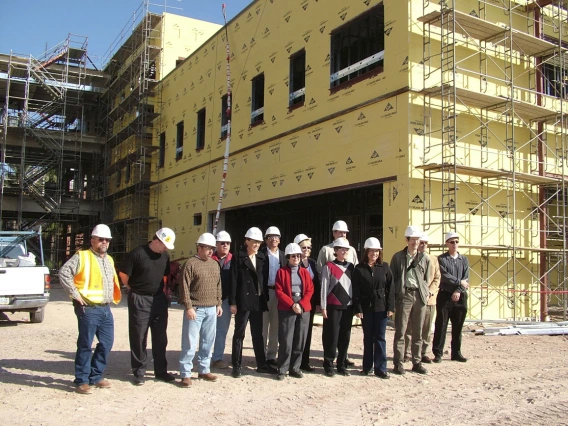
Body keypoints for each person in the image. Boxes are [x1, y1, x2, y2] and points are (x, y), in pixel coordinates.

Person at [59, 224, 122, 394]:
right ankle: (82, 380)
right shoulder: (82, 256)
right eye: (100, 239)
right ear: (92, 240)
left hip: (105, 308)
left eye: (107, 240)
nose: (104, 242)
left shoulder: (109, 259)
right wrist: (75, 294)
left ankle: (96, 376)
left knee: (107, 343)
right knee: (86, 344)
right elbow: (64, 273)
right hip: (88, 308)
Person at [119, 227, 176, 385]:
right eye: (164, 245)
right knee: (138, 336)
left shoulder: (164, 256)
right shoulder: (136, 254)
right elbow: (124, 275)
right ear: (156, 240)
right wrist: (133, 289)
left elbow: (164, 277)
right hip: (139, 299)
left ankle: (161, 371)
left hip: (158, 299)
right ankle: (139, 372)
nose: (165, 248)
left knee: (160, 337)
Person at [230, 227, 277, 378]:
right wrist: (233, 302)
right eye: (254, 241)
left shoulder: (262, 258)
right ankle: (236, 366)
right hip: (243, 301)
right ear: (246, 241)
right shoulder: (238, 257)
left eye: (258, 242)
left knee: (258, 335)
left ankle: (261, 364)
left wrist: (265, 299)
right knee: (239, 334)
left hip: (257, 301)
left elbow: (263, 280)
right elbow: (233, 281)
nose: (256, 244)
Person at [178, 233, 222, 388]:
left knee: (207, 341)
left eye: (212, 248)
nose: (210, 251)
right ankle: (186, 373)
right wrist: (189, 307)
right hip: (195, 309)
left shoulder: (214, 264)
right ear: (199, 247)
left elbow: (218, 285)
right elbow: (184, 287)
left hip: (211, 308)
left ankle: (204, 369)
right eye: (207, 248)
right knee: (190, 342)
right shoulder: (190, 264)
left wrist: (218, 303)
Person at [316, 220, 358, 367]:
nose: (343, 234)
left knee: (345, 333)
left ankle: (343, 359)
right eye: (340, 232)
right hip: (332, 299)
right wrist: (323, 304)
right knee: (331, 333)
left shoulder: (352, 253)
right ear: (333, 233)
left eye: (345, 232)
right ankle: (329, 360)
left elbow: (355, 278)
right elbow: (322, 276)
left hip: (347, 302)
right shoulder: (325, 251)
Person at [390, 226, 431, 375]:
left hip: (419, 296)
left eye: (417, 239)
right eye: (412, 239)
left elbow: (427, 278)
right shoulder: (397, 257)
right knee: (401, 331)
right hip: (404, 296)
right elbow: (393, 278)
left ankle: (416, 361)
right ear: (407, 240)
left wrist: (425, 293)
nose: (415, 242)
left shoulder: (425, 258)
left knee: (418, 331)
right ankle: (398, 363)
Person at [352, 237, 394, 379]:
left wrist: (390, 307)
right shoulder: (359, 269)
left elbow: (390, 288)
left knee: (380, 338)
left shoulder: (385, 267)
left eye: (376, 251)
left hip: (381, 308)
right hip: (366, 308)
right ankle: (367, 367)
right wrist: (358, 309)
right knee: (368, 338)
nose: (374, 254)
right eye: (372, 251)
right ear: (366, 252)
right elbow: (356, 290)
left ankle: (381, 368)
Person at [274, 243, 314, 381]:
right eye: (293, 256)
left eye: (298, 255)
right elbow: (279, 291)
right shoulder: (281, 272)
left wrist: (301, 304)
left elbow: (310, 290)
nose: (296, 258)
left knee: (300, 339)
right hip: (287, 307)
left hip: (303, 307)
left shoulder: (305, 272)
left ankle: (295, 368)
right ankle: (282, 368)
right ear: (288, 257)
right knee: (286, 339)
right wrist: (292, 304)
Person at [432, 231, 469, 363]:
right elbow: (444, 276)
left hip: (460, 296)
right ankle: (438, 353)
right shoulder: (441, 259)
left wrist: (458, 290)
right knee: (441, 324)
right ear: (447, 243)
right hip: (445, 295)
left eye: (456, 242)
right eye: (452, 242)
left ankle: (456, 352)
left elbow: (466, 278)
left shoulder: (463, 260)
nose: (454, 244)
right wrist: (459, 283)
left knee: (458, 325)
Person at [404, 233, 441, 363]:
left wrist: (430, 291)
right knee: (409, 327)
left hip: (428, 299)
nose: (423, 245)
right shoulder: (411, 257)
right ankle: (407, 352)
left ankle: (423, 352)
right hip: (412, 296)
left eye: (426, 243)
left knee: (426, 327)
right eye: (422, 242)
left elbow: (437, 277)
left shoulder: (433, 259)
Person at [320, 237, 355, 377]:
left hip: (348, 307)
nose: (345, 251)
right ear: (335, 250)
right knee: (331, 336)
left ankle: (342, 364)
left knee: (345, 336)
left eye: (346, 249)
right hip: (333, 306)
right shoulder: (328, 267)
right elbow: (324, 287)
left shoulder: (351, 267)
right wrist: (323, 306)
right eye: (342, 249)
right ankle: (328, 364)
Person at [295, 233, 320, 372]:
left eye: (308, 247)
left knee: (307, 333)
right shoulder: (293, 263)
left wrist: (317, 302)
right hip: (297, 302)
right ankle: (295, 362)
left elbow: (316, 283)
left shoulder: (313, 263)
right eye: (303, 247)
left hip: (309, 303)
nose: (306, 250)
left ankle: (305, 361)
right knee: (296, 333)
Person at [261, 226, 286, 368]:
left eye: (276, 237)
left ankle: (271, 356)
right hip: (265, 294)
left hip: (279, 294)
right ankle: (262, 355)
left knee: (276, 326)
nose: (274, 239)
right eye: (270, 237)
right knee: (263, 327)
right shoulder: (261, 255)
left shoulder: (283, 256)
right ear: (266, 240)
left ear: (279, 240)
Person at [211, 230, 233, 369]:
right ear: (216, 244)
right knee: (206, 331)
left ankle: (217, 358)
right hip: (209, 300)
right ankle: (205, 358)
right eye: (222, 243)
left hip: (225, 300)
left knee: (221, 330)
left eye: (227, 243)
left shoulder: (234, 260)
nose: (225, 245)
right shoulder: (209, 259)